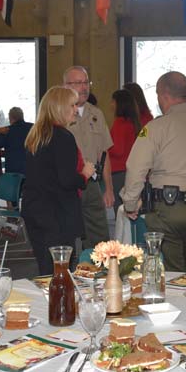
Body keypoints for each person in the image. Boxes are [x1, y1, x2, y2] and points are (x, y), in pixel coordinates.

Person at [121, 71, 186, 273]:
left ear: (163, 95)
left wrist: (130, 203)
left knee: (173, 273)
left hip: (166, 211)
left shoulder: (155, 127)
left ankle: (178, 300)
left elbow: (136, 167)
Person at [21, 87, 95, 275]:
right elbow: (66, 180)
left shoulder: (36, 135)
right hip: (57, 215)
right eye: (72, 105)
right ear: (59, 108)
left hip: (35, 210)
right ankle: (59, 305)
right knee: (60, 273)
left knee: (45, 270)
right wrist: (85, 174)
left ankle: (49, 303)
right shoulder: (62, 137)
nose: (75, 110)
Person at [64, 66, 114, 249]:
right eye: (78, 83)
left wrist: (108, 188)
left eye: (86, 82)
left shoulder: (97, 114)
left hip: (92, 185)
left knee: (100, 238)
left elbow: (104, 153)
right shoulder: (59, 114)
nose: (84, 87)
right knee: (66, 238)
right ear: (66, 86)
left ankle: (102, 274)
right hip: (67, 184)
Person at [109, 89, 142, 212]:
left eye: (113, 101)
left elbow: (118, 150)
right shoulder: (133, 122)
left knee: (120, 210)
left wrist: (104, 148)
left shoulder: (119, 123)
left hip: (118, 171)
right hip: (129, 169)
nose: (111, 104)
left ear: (119, 103)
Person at [0, 107, 33, 174]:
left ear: (10, 118)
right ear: (22, 116)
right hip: (31, 169)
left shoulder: (7, 131)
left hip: (13, 172)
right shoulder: (33, 128)